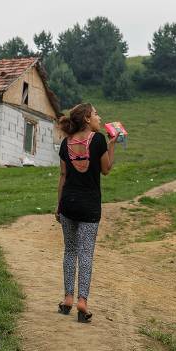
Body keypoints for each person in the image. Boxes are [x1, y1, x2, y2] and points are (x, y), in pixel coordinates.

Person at [54, 102, 119, 324]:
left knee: (70, 251)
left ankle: (67, 299)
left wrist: (58, 205)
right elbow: (106, 169)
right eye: (96, 114)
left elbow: (63, 177)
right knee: (86, 254)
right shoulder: (99, 140)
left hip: (68, 204)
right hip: (90, 205)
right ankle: (83, 301)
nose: (99, 118)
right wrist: (112, 145)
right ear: (87, 120)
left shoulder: (65, 143)